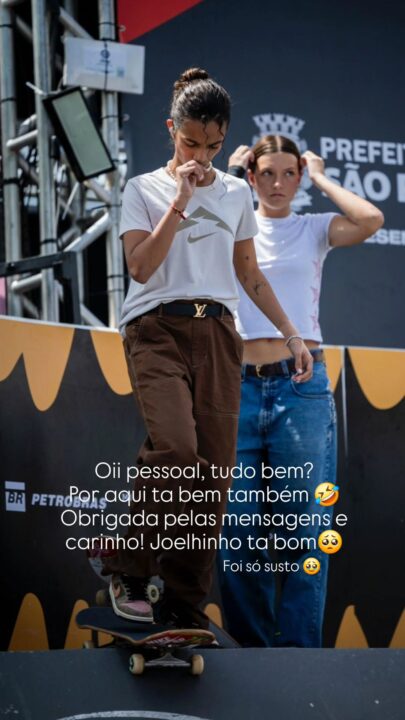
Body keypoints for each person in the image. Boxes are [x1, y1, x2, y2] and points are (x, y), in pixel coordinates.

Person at [101, 72, 314, 630]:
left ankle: (182, 602)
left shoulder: (237, 193)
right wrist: (181, 199)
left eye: (213, 146)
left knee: (214, 479)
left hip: (219, 334)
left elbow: (249, 273)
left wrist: (292, 334)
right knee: (176, 449)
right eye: (191, 142)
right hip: (155, 330)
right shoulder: (142, 189)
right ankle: (128, 571)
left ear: (224, 138)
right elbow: (140, 267)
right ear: (171, 129)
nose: (200, 155)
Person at [219, 135, 384, 647]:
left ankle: (297, 663)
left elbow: (371, 219)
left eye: (288, 173)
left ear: (298, 178)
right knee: (235, 534)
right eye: (266, 173)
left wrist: (320, 177)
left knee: (304, 530)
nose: (277, 183)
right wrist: (229, 176)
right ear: (252, 176)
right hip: (237, 388)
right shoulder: (232, 223)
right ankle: (253, 658)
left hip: (301, 389)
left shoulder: (313, 228)